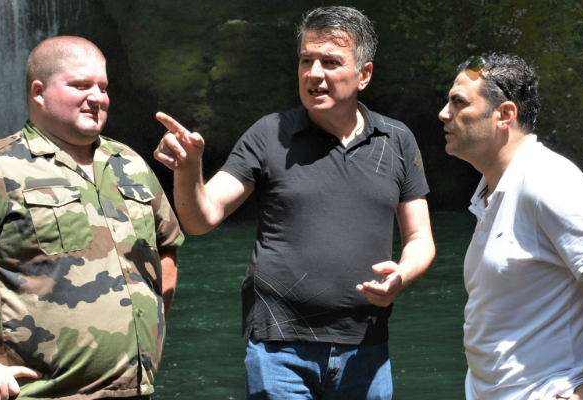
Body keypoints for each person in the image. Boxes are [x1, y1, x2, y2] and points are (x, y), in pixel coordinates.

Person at [155, 6, 435, 399]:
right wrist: (188, 171)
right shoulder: (270, 134)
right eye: (306, 60)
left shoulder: (397, 140)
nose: (314, 73)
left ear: (364, 74)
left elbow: (420, 238)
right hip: (279, 349)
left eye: (330, 62)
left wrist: (402, 276)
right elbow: (202, 218)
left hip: (367, 347)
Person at [0, 36, 184, 400]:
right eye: (81, 86)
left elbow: (167, 245)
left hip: (135, 391)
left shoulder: (130, 163)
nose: (97, 97)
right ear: (39, 92)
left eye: (103, 87)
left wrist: (153, 328)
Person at [438, 52, 583, 400]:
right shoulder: (494, 191)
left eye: (459, 102)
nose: (444, 113)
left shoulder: (545, 180)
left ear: (504, 115)